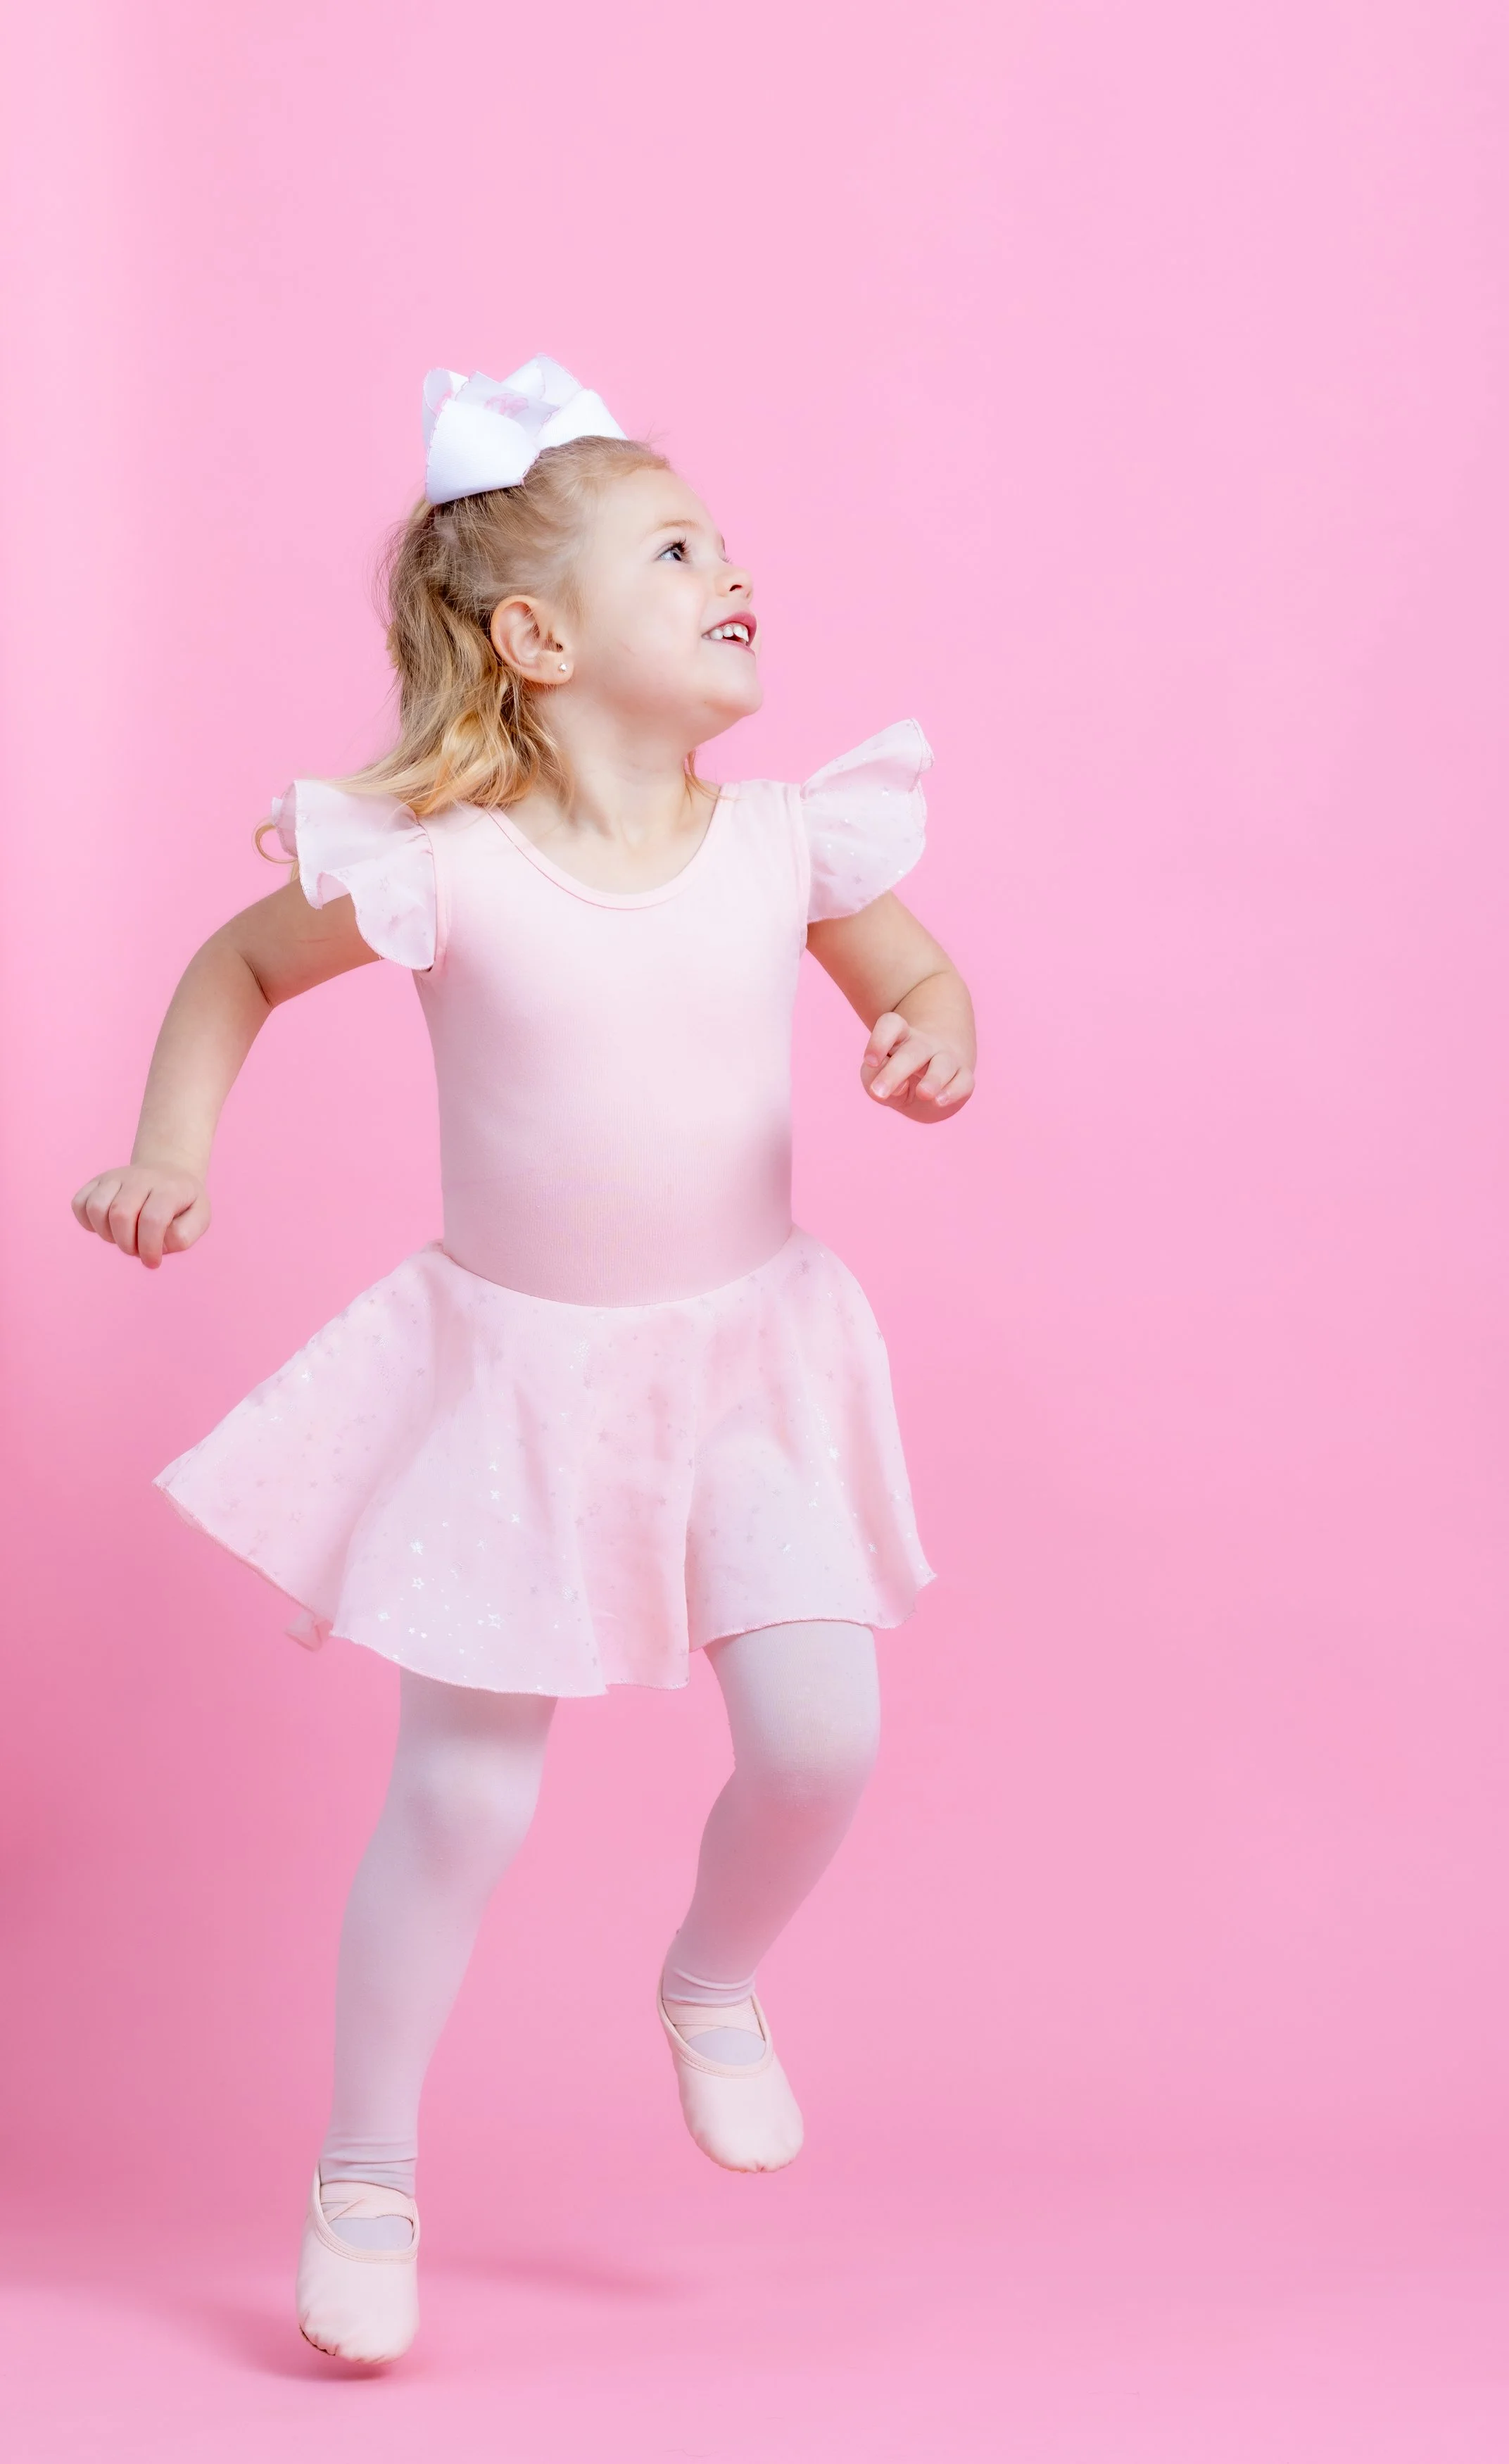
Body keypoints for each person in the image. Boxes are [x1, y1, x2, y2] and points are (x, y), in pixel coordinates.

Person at [70, 357, 974, 2365]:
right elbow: (234, 965)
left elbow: (909, 967)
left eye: (726, 545)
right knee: (464, 1800)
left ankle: (710, 1977)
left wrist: (934, 1035)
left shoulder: (783, 840)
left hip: (744, 1357)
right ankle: (367, 2165)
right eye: (678, 551)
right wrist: (168, 1149)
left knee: (822, 1731)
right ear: (538, 637)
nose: (734, 570)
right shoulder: (449, 863)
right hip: (522, 1384)